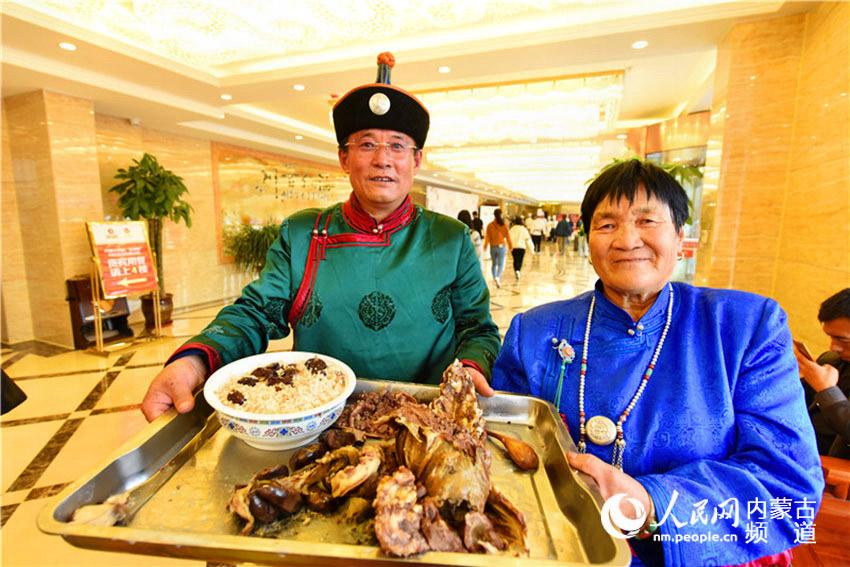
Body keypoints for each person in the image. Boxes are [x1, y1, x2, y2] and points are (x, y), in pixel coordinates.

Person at [491, 160, 822, 566]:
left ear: (680, 238)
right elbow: (502, 452)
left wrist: (651, 503)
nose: (628, 240)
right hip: (557, 549)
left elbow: (788, 487)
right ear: (589, 240)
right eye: (607, 225)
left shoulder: (744, 327)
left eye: (647, 220)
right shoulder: (535, 331)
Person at [141, 53, 500, 421]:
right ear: (344, 159)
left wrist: (472, 368)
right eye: (366, 144)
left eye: (397, 145)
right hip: (320, 420)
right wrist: (193, 362)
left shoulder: (451, 238)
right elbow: (256, 313)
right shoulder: (303, 233)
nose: (383, 159)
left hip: (425, 419)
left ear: (416, 161)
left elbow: (478, 328)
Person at [795, 288, 850, 458]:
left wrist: (827, 391)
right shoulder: (832, 361)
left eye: (842, 340)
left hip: (834, 474)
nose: (833, 347)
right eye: (830, 337)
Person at [483, 208, 512, 289]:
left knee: (494, 263)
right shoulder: (504, 225)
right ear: (501, 215)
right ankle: (498, 277)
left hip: (493, 246)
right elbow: (507, 236)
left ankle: (494, 276)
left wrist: (485, 245)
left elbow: (487, 236)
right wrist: (510, 245)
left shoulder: (489, 225)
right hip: (501, 246)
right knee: (501, 264)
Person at [508, 215, 534, 280]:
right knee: (520, 260)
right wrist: (532, 249)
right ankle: (518, 270)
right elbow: (528, 240)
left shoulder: (512, 229)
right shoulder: (523, 229)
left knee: (515, 260)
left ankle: (516, 270)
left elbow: (508, 238)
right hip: (521, 247)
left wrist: (507, 247)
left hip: (513, 247)